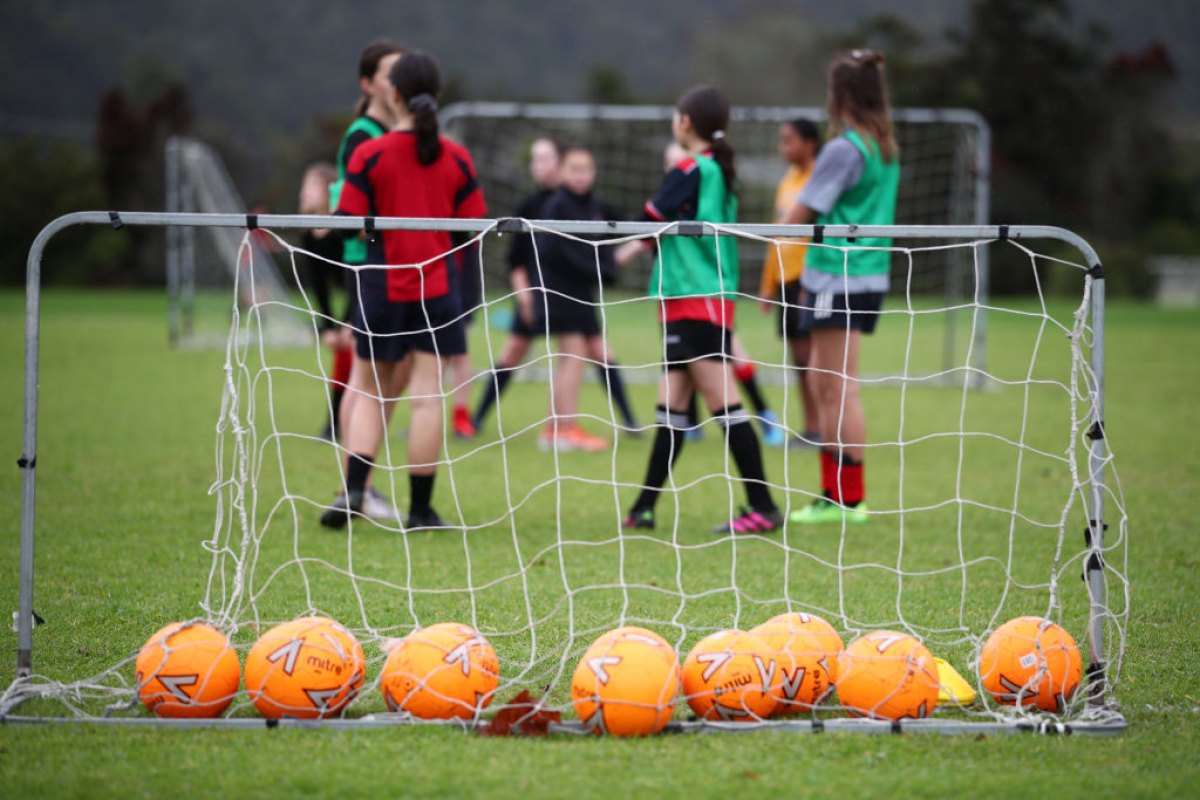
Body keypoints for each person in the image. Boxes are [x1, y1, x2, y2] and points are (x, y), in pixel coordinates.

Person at [322, 49, 487, 530]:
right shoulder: (456, 157)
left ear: (391, 94)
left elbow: (346, 226)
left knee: (371, 392)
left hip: (379, 286)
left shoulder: (370, 153)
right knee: (426, 395)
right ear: (436, 97)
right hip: (438, 287)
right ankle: (421, 510)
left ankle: (354, 489)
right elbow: (472, 226)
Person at [620, 85, 782, 534]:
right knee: (670, 408)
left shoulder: (691, 167)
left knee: (724, 405)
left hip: (697, 300)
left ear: (684, 123)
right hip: (692, 300)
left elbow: (649, 220)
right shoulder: (718, 171)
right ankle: (643, 508)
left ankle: (764, 507)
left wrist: (610, 255)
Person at [781, 50, 901, 525]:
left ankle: (844, 500)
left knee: (837, 389)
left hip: (838, 276)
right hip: (865, 276)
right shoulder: (882, 146)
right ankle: (836, 496)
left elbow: (798, 217)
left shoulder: (845, 148)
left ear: (840, 95)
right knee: (822, 381)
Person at [471, 139, 641, 440]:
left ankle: (626, 422)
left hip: (578, 294)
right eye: (536, 159)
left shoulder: (590, 204)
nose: (542, 165)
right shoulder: (540, 206)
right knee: (518, 351)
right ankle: (488, 420)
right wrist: (524, 294)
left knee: (597, 352)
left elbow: (612, 237)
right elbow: (524, 260)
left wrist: (634, 245)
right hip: (543, 293)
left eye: (546, 158)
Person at [322, 39, 405, 523]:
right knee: (367, 374)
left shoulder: (400, 134)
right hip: (367, 263)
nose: (397, 82)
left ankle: (361, 485)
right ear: (368, 83)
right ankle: (355, 487)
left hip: (392, 262)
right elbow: (349, 211)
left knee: (385, 376)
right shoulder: (363, 135)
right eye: (389, 73)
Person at [531, 145, 632, 451]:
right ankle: (563, 430)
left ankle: (555, 427)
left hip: (583, 295)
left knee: (583, 356)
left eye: (586, 168)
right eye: (574, 169)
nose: (580, 175)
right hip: (562, 293)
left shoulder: (594, 204)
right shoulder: (557, 206)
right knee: (572, 359)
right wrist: (600, 270)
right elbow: (555, 251)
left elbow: (625, 226)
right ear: (562, 171)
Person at [760, 118, 822, 448]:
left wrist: (807, 285)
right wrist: (767, 286)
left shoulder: (818, 178)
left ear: (811, 143)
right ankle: (811, 426)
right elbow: (777, 237)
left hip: (807, 280)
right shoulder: (787, 180)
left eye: (789, 141)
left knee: (812, 358)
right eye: (781, 141)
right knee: (798, 359)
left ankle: (818, 427)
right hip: (785, 281)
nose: (783, 148)